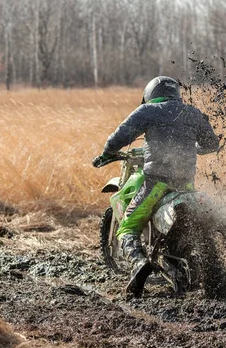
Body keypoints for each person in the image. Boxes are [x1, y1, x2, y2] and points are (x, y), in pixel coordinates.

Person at [92, 76, 219, 296]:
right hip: (186, 185)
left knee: (128, 226)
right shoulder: (192, 113)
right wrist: (194, 148)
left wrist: (107, 153)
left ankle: (139, 263)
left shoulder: (148, 111)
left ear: (149, 94)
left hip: (156, 182)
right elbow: (211, 144)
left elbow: (120, 135)